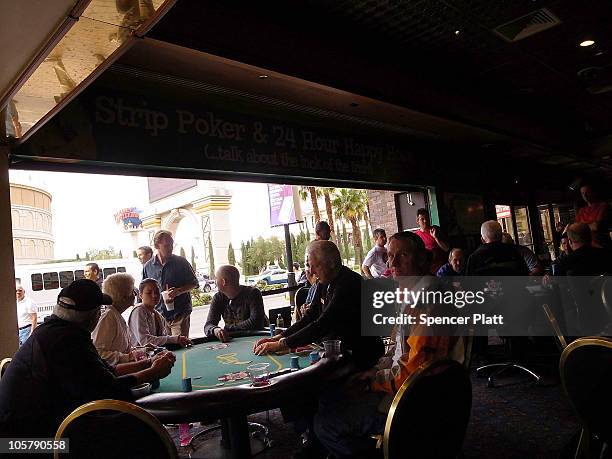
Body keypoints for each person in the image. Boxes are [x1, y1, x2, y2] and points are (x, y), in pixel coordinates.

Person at [313, 231, 464, 457]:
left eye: (402, 255)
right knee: (329, 400)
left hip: (415, 403)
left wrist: (372, 381)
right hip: (408, 389)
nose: (392, 263)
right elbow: (395, 349)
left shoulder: (427, 300)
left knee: (325, 423)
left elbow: (416, 370)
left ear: (423, 259)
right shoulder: (411, 294)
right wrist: (373, 371)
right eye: (390, 256)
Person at [0, 279, 175, 438]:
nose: (100, 313)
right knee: (128, 432)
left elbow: (106, 371)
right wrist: (153, 373)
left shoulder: (59, 330)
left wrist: (147, 363)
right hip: (26, 444)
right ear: (90, 315)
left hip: (34, 427)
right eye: (98, 309)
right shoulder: (64, 341)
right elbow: (108, 390)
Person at [253, 241, 383, 369]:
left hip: (361, 357)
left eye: (315, 266)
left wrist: (281, 344)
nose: (311, 271)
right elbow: (310, 317)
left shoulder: (349, 283)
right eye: (309, 266)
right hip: (338, 352)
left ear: (331, 263)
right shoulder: (324, 281)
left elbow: (323, 324)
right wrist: (279, 337)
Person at [142, 230, 199, 336]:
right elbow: (144, 289)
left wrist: (179, 291)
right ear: (157, 246)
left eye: (172, 245)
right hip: (159, 315)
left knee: (181, 346)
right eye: (167, 245)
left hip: (180, 313)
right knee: (166, 348)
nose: (171, 248)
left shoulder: (181, 262)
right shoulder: (148, 267)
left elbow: (194, 283)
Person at [204, 265, 267, 342]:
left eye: (216, 278)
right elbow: (208, 325)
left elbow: (256, 322)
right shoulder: (218, 298)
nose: (215, 282)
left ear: (223, 282)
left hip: (256, 339)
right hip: (234, 341)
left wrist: (228, 328)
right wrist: (215, 330)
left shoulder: (253, 293)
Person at [91, 273, 138, 365]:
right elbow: (98, 353)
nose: (135, 294)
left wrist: (141, 349)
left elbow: (120, 348)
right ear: (124, 297)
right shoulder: (108, 318)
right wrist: (129, 357)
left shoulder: (115, 315)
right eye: (132, 291)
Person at [129, 278, 191, 347]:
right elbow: (145, 341)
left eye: (156, 292)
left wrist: (177, 339)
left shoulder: (157, 314)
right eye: (149, 293)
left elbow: (162, 338)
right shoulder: (139, 311)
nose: (154, 295)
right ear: (141, 295)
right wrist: (175, 339)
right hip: (141, 356)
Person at [575, 183, 612, 249]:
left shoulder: (603, 206)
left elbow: (596, 226)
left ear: (593, 193)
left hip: (601, 245)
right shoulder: (581, 211)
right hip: (587, 247)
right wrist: (590, 224)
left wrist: (582, 226)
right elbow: (577, 229)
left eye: (587, 192)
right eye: (582, 193)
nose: (585, 195)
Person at [413, 208, 449, 274]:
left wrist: (436, 238)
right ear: (417, 221)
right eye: (422, 219)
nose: (425, 221)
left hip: (441, 269)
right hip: (426, 271)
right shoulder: (416, 236)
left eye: (427, 218)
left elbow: (446, 248)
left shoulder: (436, 230)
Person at [16, 281, 37, 346]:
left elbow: (34, 317)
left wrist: (32, 332)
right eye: (16, 291)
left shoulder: (29, 302)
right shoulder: (15, 302)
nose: (18, 292)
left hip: (26, 330)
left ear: (24, 292)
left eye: (20, 290)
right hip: (18, 331)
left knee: (24, 350)